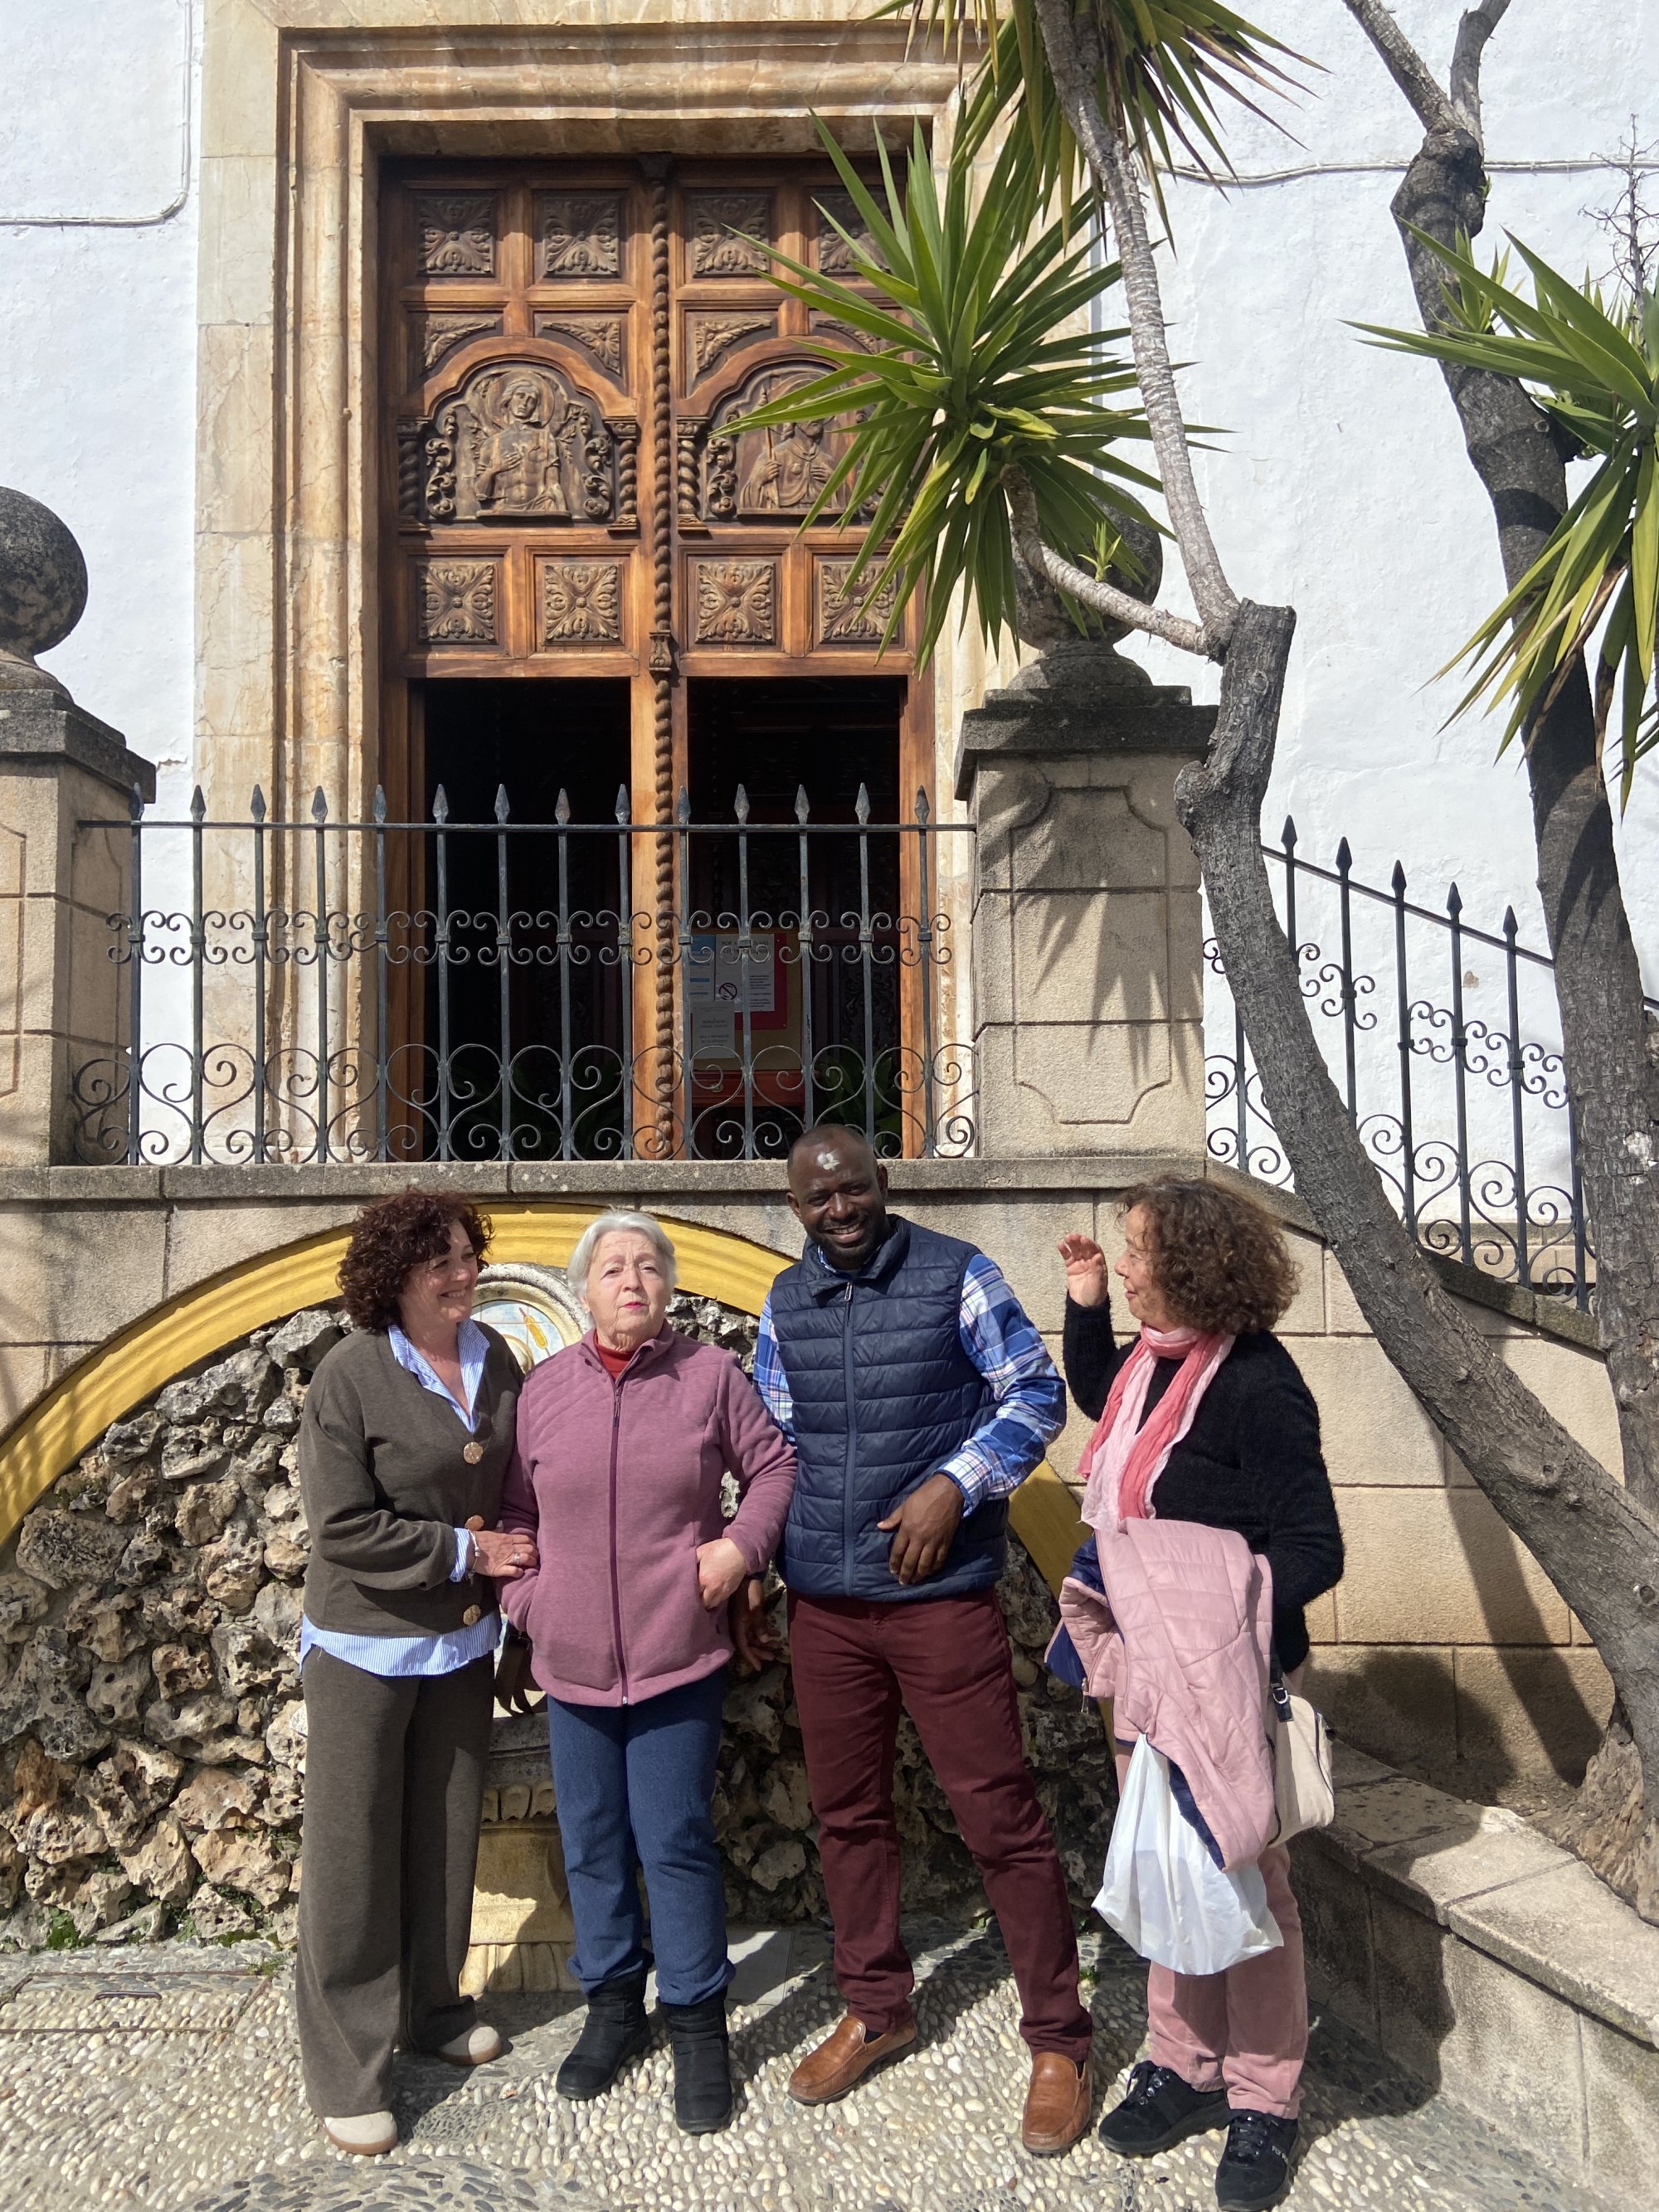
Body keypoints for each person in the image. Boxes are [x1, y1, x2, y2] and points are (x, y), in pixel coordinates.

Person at [735, 1123, 1095, 2157]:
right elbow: (773, 1445)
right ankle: (878, 2007)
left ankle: (1058, 2038)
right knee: (848, 1817)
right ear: (793, 1206)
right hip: (826, 1603)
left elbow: (1034, 1393)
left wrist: (955, 1484)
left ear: (881, 1183)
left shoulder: (956, 1273)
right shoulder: (784, 1300)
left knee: (998, 1815)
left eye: (851, 1189)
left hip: (938, 1597)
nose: (837, 1209)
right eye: (815, 1198)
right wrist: (754, 1562)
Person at [1056, 1178, 1344, 2212]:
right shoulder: (1152, 1362)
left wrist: (1211, 1620)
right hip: (1147, 1674)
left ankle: (1264, 2103)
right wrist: (1086, 1303)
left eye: (1135, 1255)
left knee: (1245, 1881)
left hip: (1227, 1677)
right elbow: (1099, 1397)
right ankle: (1181, 2067)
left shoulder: (1258, 1387)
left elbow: (1313, 1548)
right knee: (1165, 1865)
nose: (1127, 1267)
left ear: (1191, 1266)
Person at [498, 1210, 796, 2133]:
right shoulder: (543, 1390)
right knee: (588, 1841)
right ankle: (613, 2009)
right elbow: (514, 1519)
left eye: (647, 1267)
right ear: (584, 1291)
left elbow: (775, 1467)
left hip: (677, 1657)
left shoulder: (708, 1377)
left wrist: (740, 1550)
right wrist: (529, 1606)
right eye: (611, 1268)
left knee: (671, 1840)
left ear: (667, 1289)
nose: (630, 1279)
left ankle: (699, 2027)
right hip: (574, 1663)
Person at [294, 1192, 534, 2157]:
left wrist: (511, 1597)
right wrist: (463, 1554)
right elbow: (340, 1526)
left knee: (443, 1838)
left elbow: (515, 1488)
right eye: (441, 1260)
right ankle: (347, 2066)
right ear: (392, 1275)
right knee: (353, 1856)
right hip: (365, 1644)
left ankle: (432, 2011)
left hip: (460, 1647)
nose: (464, 1271)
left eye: (469, 1254)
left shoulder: (497, 1359)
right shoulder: (349, 1374)